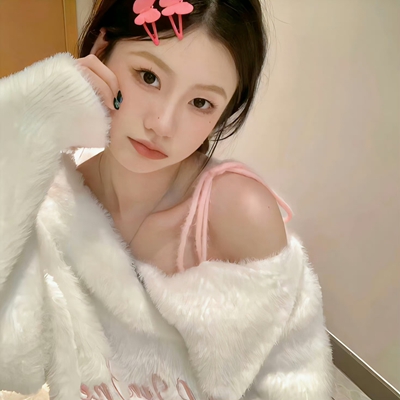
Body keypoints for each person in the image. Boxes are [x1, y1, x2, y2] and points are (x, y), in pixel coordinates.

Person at [0, 0, 335, 399]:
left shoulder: (238, 214)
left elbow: (294, 380)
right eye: (149, 77)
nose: (162, 124)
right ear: (102, 51)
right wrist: (23, 122)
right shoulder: (53, 189)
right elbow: (14, 358)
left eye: (200, 103)